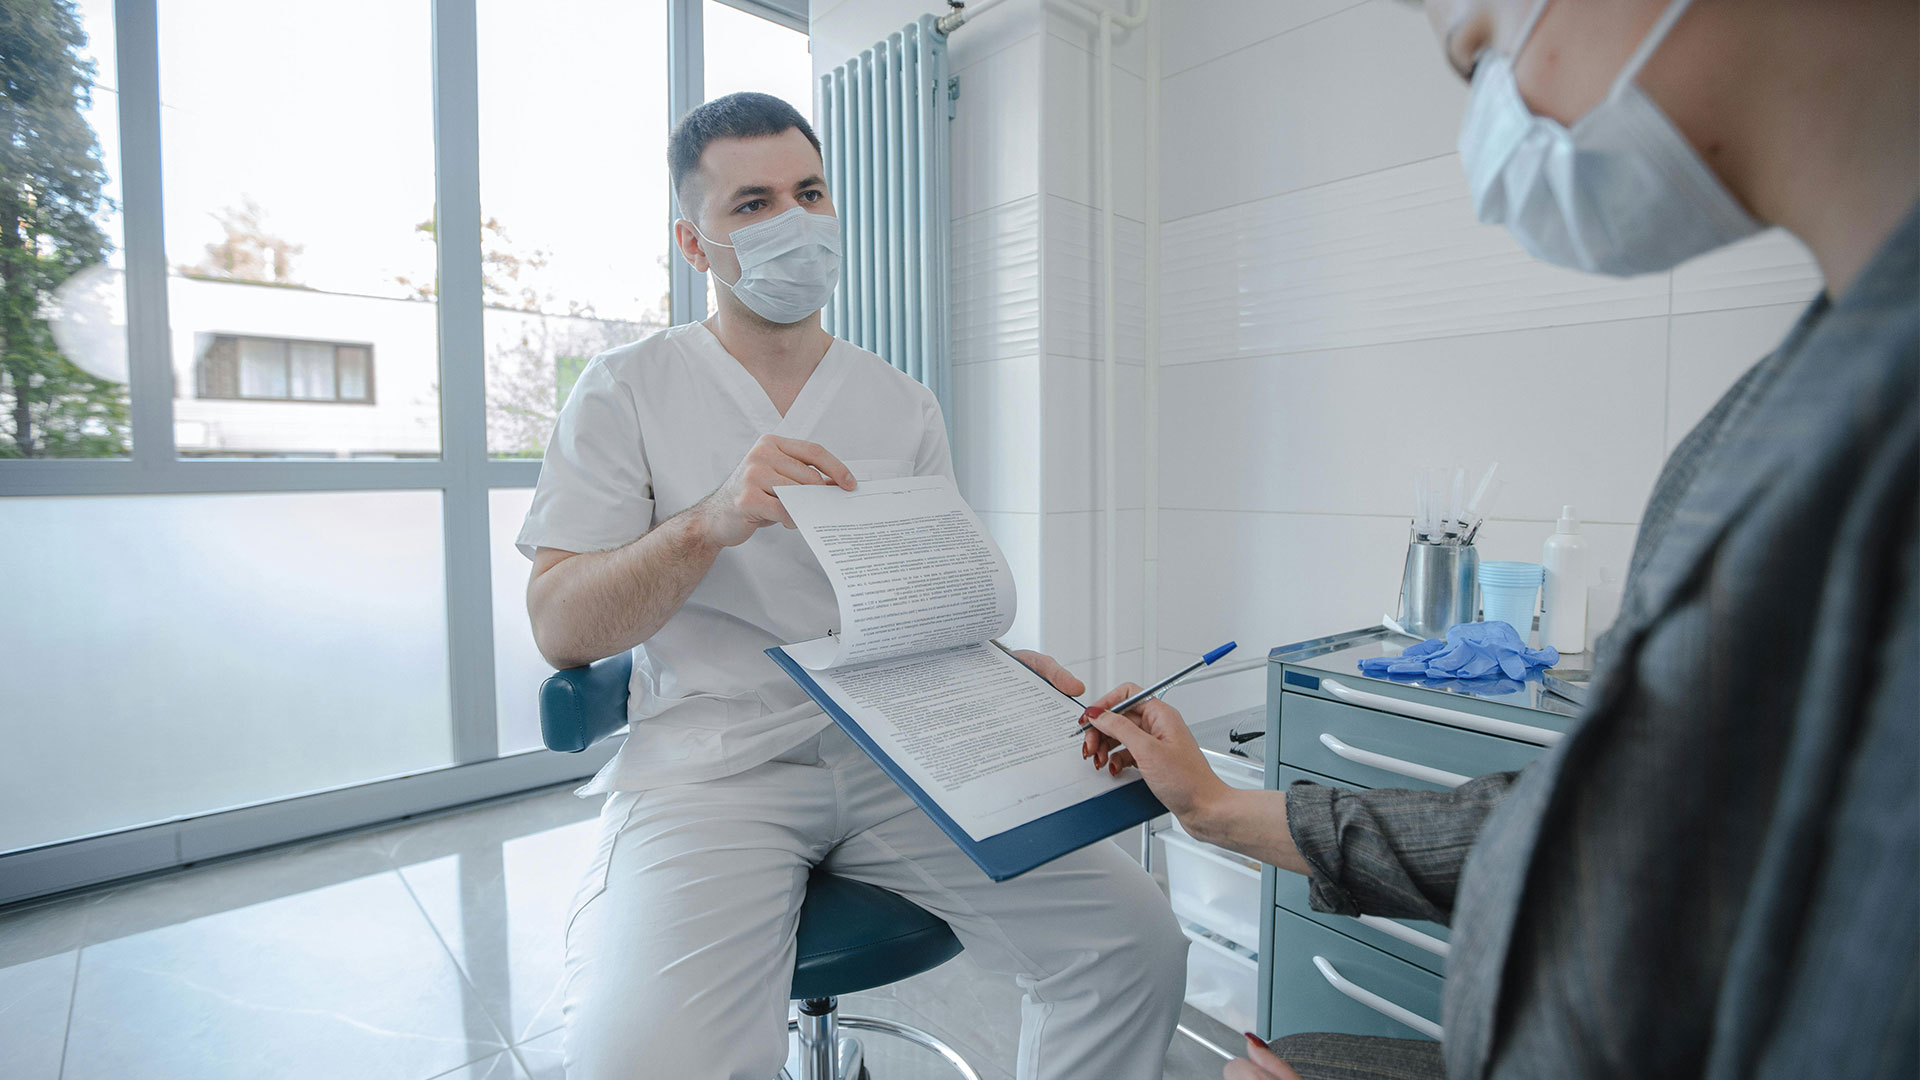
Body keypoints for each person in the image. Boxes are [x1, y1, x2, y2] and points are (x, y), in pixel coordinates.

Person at [1082, 1, 1918, 1077]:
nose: (1501, 118)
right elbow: (1589, 825)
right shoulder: (1788, 394)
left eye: (1478, 53)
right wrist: (1218, 809)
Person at [517, 91, 1187, 1079]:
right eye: (752, 204)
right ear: (694, 244)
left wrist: (1006, 679)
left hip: (897, 753)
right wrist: (709, 521)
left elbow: (924, 600)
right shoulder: (626, 389)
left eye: (810, 192)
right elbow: (559, 627)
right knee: (640, 1062)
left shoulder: (898, 402)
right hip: (717, 762)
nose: (795, 222)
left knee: (1134, 945)